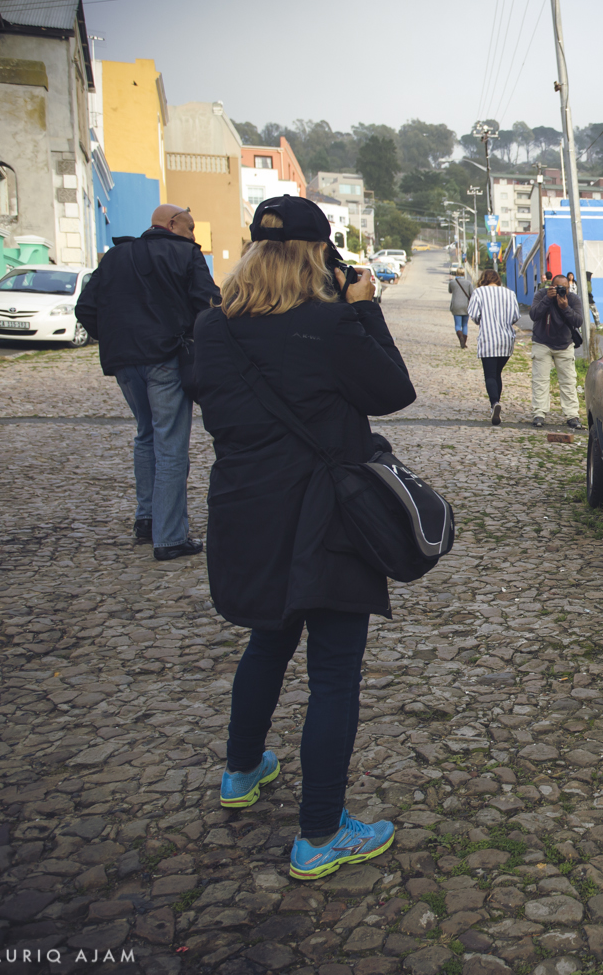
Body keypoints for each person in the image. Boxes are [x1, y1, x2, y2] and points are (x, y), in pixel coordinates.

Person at [192, 195, 416, 881]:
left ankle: (241, 769)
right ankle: (319, 833)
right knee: (334, 674)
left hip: (248, 514)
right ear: (317, 255)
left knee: (267, 641)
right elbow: (393, 391)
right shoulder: (329, 324)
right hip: (328, 518)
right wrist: (364, 309)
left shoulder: (211, 328)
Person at [74, 203, 216, 560]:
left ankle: (147, 519)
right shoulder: (186, 254)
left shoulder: (115, 257)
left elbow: (85, 308)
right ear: (172, 223)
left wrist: (114, 338)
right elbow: (208, 307)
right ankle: (169, 537)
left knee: (145, 435)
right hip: (166, 357)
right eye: (190, 227)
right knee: (170, 444)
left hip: (125, 362)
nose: (193, 235)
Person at [466, 269, 520, 426]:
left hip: (488, 338)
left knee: (490, 374)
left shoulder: (479, 292)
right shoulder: (509, 293)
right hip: (506, 339)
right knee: (497, 373)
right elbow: (516, 316)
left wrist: (483, 320)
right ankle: (496, 404)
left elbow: (474, 314)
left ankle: (494, 403)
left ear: (483, 279)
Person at [529, 273, 584, 428]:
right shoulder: (541, 295)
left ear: (568, 288)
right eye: (557, 287)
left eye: (564, 288)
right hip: (542, 342)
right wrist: (547, 298)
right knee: (540, 380)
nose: (561, 291)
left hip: (564, 344)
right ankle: (539, 413)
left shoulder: (573, 299)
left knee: (568, 381)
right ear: (551, 286)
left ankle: (572, 415)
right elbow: (534, 314)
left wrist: (565, 308)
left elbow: (578, 321)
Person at [447, 269, 474, 349]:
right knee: (465, 324)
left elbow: (450, 291)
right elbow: (472, 294)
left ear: (456, 273)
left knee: (457, 325)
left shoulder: (452, 282)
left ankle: (460, 338)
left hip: (456, 306)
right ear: (464, 274)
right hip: (466, 305)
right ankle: (464, 342)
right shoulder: (468, 283)